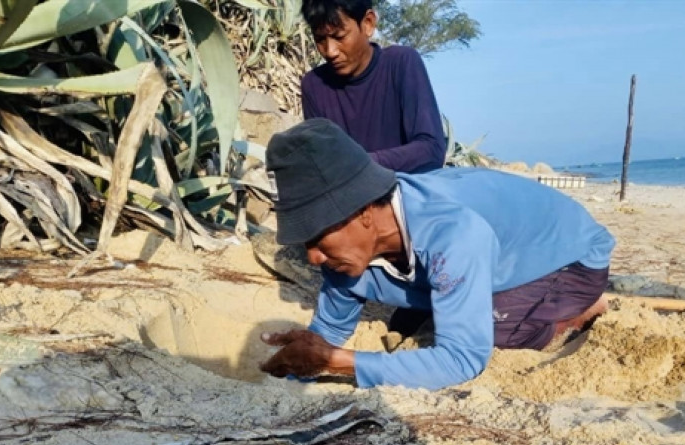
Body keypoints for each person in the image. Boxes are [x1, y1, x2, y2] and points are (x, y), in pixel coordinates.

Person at [260, 119, 615, 390]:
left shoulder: (450, 233)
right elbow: (331, 328)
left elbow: (463, 360)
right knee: (444, 305)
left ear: (363, 213)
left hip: (571, 259)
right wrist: (299, 363)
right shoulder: (346, 249)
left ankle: (578, 310)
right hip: (485, 252)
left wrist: (337, 362)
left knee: (494, 332)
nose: (313, 258)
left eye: (318, 238)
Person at [299, 0, 446, 173]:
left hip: (407, 190)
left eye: (339, 37)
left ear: (368, 23)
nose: (330, 51)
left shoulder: (401, 63)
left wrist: (362, 164)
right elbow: (322, 162)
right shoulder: (314, 85)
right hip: (350, 196)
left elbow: (431, 149)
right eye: (320, 39)